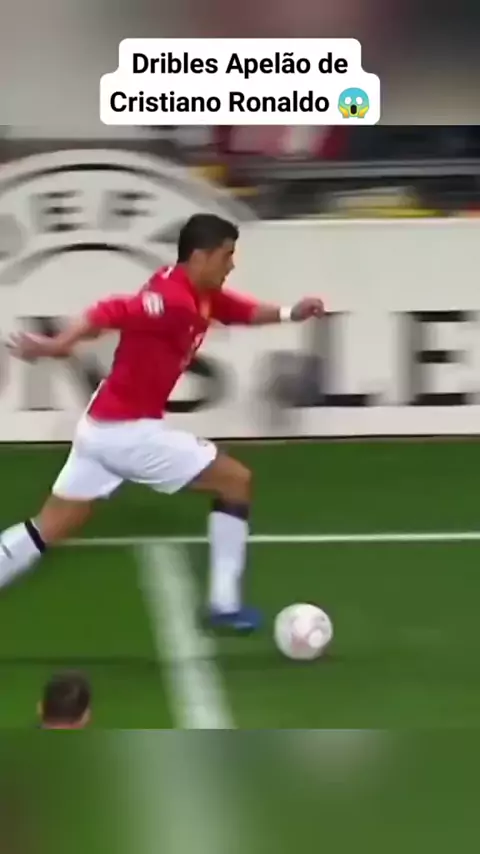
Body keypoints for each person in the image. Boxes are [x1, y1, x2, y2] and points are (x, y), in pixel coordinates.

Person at [2, 213, 324, 632]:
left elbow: (240, 310)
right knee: (235, 481)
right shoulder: (170, 301)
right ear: (200, 256)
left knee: (49, 526)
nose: (231, 264)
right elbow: (110, 310)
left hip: (101, 425)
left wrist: (290, 312)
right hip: (127, 434)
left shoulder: (198, 292)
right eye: (226, 255)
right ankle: (224, 605)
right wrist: (58, 344)